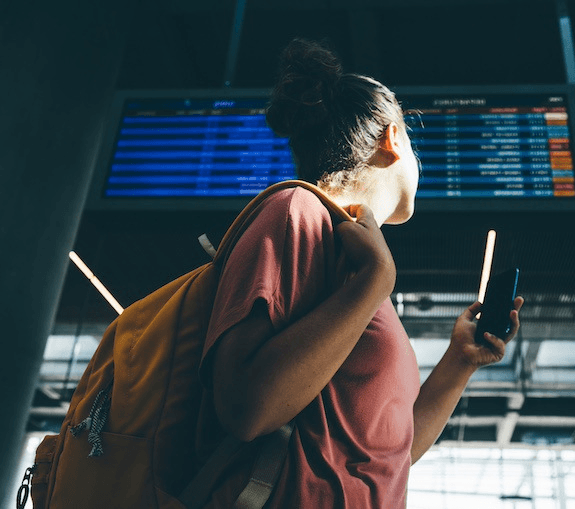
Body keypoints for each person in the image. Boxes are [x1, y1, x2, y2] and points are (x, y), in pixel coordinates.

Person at [198, 39, 524, 508]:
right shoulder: (297, 213)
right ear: (393, 139)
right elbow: (246, 409)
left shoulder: (357, 265)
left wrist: (461, 361)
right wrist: (375, 282)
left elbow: (388, 454)